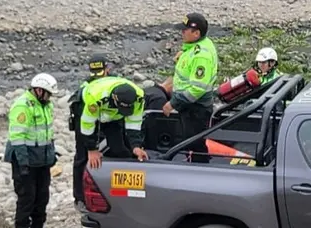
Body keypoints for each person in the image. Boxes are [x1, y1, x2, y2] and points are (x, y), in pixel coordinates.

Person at [3, 73, 59, 228]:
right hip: (25, 160)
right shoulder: (22, 106)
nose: (50, 97)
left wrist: (51, 155)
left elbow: (47, 134)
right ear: (39, 90)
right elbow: (17, 137)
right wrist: (23, 163)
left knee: (42, 198)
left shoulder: (45, 105)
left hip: (41, 159)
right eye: (48, 94)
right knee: (26, 199)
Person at [162, 13, 218, 163]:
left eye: (185, 30)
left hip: (195, 108)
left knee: (194, 144)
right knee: (192, 142)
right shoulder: (199, 45)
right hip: (191, 106)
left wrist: (173, 103)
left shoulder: (201, 56)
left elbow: (197, 88)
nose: (182, 33)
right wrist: (185, 54)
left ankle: (198, 169)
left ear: (196, 33)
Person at [78, 75, 149, 170]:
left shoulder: (139, 98)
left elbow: (134, 122)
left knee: (119, 149)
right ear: (114, 98)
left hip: (113, 114)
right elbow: (87, 124)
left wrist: (136, 146)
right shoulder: (95, 99)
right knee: (83, 155)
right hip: (86, 106)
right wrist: (91, 149)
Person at [69, 54, 111, 212]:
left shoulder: (111, 82)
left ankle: (101, 195)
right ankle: (80, 198)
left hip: (105, 124)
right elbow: (82, 120)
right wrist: (90, 145)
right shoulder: (86, 89)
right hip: (85, 125)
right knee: (82, 159)